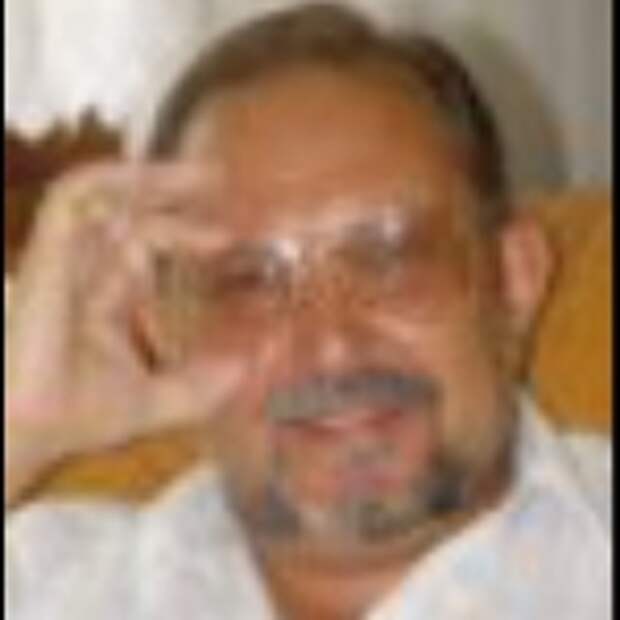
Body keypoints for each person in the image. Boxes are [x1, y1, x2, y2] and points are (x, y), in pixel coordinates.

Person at [5, 4, 611, 619]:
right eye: (250, 282)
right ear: (165, 330)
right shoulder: (60, 583)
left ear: (514, 279)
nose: (332, 344)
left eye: (388, 258)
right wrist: (19, 431)